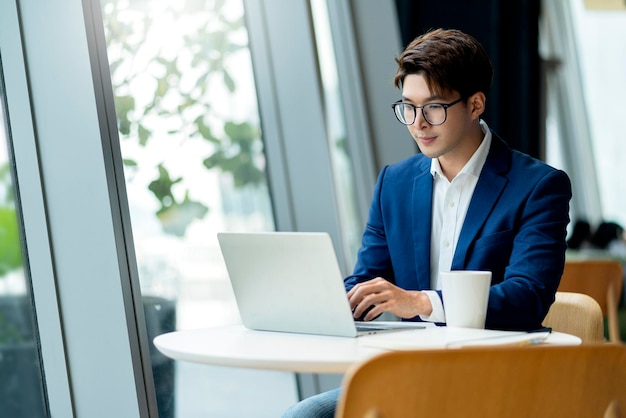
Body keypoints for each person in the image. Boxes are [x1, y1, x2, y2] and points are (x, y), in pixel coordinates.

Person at [282, 28, 572, 418]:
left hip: (496, 380)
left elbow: (527, 296)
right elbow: (367, 279)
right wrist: (329, 305)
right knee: (302, 415)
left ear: (475, 105)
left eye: (434, 108)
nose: (418, 123)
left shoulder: (538, 186)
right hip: (410, 372)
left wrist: (421, 302)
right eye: (408, 107)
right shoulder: (395, 183)